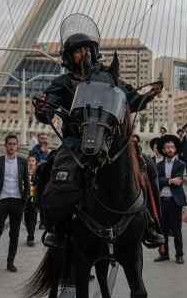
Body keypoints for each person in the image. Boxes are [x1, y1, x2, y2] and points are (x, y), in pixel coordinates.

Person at [33, 15, 163, 249]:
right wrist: (43, 109)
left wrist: (149, 95)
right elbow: (47, 109)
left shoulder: (107, 77)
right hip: (75, 142)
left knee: (148, 167)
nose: (83, 54)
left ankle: (151, 223)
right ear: (69, 56)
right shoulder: (63, 82)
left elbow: (130, 100)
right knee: (50, 170)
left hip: (110, 140)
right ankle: (57, 228)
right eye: (77, 51)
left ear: (93, 51)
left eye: (86, 49)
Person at [0, 134, 29, 273]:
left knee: (14, 234)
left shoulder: (22, 162)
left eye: (14, 144)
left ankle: (10, 262)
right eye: (9, 144)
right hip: (2, 201)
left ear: (17, 146)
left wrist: (24, 200)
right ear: (5, 145)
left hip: (17, 201)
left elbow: (27, 182)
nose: (11, 146)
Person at [155, 135, 187, 264]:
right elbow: (157, 181)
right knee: (162, 229)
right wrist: (169, 180)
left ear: (175, 149)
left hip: (175, 201)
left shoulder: (181, 164)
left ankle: (179, 254)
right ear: (163, 149)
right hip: (162, 201)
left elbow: (178, 181)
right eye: (167, 147)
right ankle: (164, 254)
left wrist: (166, 180)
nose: (169, 149)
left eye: (172, 147)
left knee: (176, 229)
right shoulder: (158, 165)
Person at [23, 155, 40, 246]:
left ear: (35, 162)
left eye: (33, 161)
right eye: (29, 161)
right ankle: (29, 233)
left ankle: (31, 236)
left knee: (33, 218)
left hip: (34, 199)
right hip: (26, 199)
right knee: (26, 218)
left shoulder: (38, 173)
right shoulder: (23, 172)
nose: (31, 163)